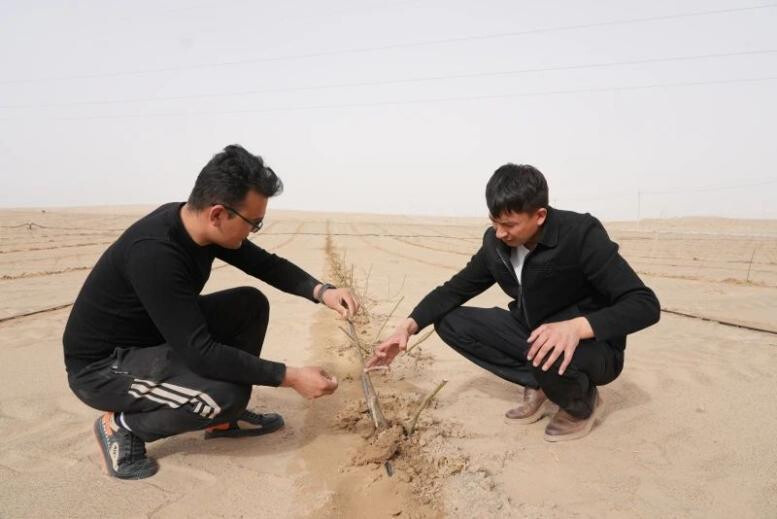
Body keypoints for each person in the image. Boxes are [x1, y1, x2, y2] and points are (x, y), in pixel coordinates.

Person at [63, 144, 359, 479]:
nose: (253, 231)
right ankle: (124, 427)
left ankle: (222, 420)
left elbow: (264, 264)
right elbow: (201, 353)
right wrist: (290, 377)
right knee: (226, 393)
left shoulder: (197, 226)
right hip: (103, 368)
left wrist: (323, 292)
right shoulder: (156, 253)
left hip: (153, 339)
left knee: (249, 304)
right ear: (217, 213)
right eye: (254, 223)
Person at [367, 164, 659, 441]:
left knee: (550, 349)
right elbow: (455, 289)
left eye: (509, 224)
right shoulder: (496, 243)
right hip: (532, 331)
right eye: (494, 222)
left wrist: (576, 328)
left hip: (592, 347)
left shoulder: (580, 235)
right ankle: (540, 382)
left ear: (540, 216)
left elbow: (644, 304)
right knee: (450, 322)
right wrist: (406, 327)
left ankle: (582, 402)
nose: (500, 232)